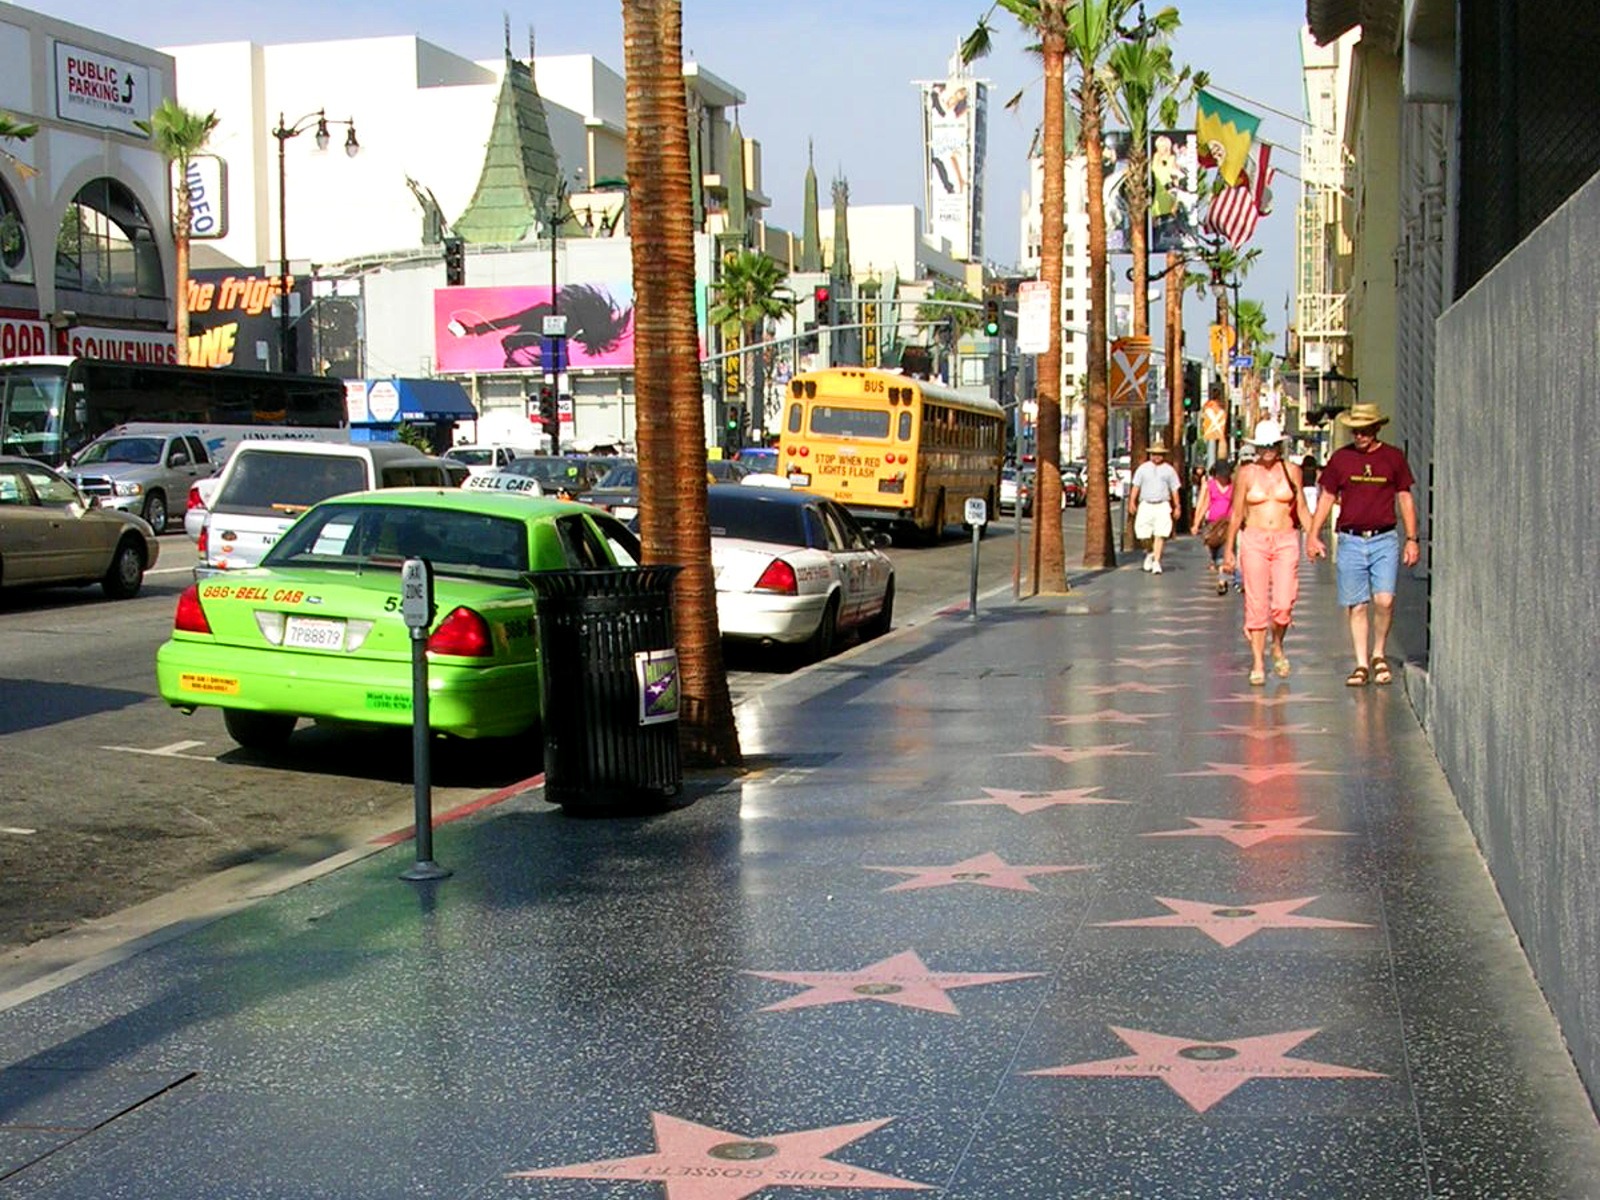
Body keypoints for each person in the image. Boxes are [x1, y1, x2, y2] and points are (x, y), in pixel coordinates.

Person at [1306, 403, 1419, 687]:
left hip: (1384, 538)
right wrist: (1313, 534)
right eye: (1356, 431)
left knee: (1385, 600)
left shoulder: (1393, 458)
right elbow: (1327, 497)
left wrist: (1412, 539)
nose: (1360, 436)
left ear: (1377, 429)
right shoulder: (1340, 460)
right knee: (1357, 605)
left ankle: (1379, 652)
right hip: (1351, 539)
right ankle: (1361, 663)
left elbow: (1404, 497)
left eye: (1366, 430)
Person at [1222, 420, 1313, 685]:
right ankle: (1259, 661)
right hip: (1254, 539)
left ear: (1280, 446)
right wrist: (1229, 550)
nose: (1268, 451)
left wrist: (1313, 538)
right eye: (1263, 447)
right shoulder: (1246, 474)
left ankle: (1277, 645)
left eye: (1272, 446)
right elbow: (1237, 513)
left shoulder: (1291, 471)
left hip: (1286, 539)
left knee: (1283, 604)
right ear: (1256, 448)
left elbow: (1303, 509)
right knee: (1257, 603)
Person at [1128, 439, 1182, 574]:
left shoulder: (1169, 471)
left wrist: (1177, 506)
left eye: (1159, 454)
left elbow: (1174, 489)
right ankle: (1150, 552)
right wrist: (1132, 501)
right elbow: (1136, 486)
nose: (1156, 457)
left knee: (1160, 533)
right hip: (1146, 504)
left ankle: (1156, 561)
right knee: (1142, 534)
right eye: (1154, 454)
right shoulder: (1143, 469)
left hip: (1162, 504)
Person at [1190, 460, 1234, 594]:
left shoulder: (1234, 486)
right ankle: (1219, 570)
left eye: (1225, 474)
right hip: (1212, 524)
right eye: (1221, 474)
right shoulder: (1211, 486)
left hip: (1228, 524)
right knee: (1214, 552)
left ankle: (1222, 581)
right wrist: (1196, 523)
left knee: (1224, 553)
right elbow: (1205, 505)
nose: (1223, 477)